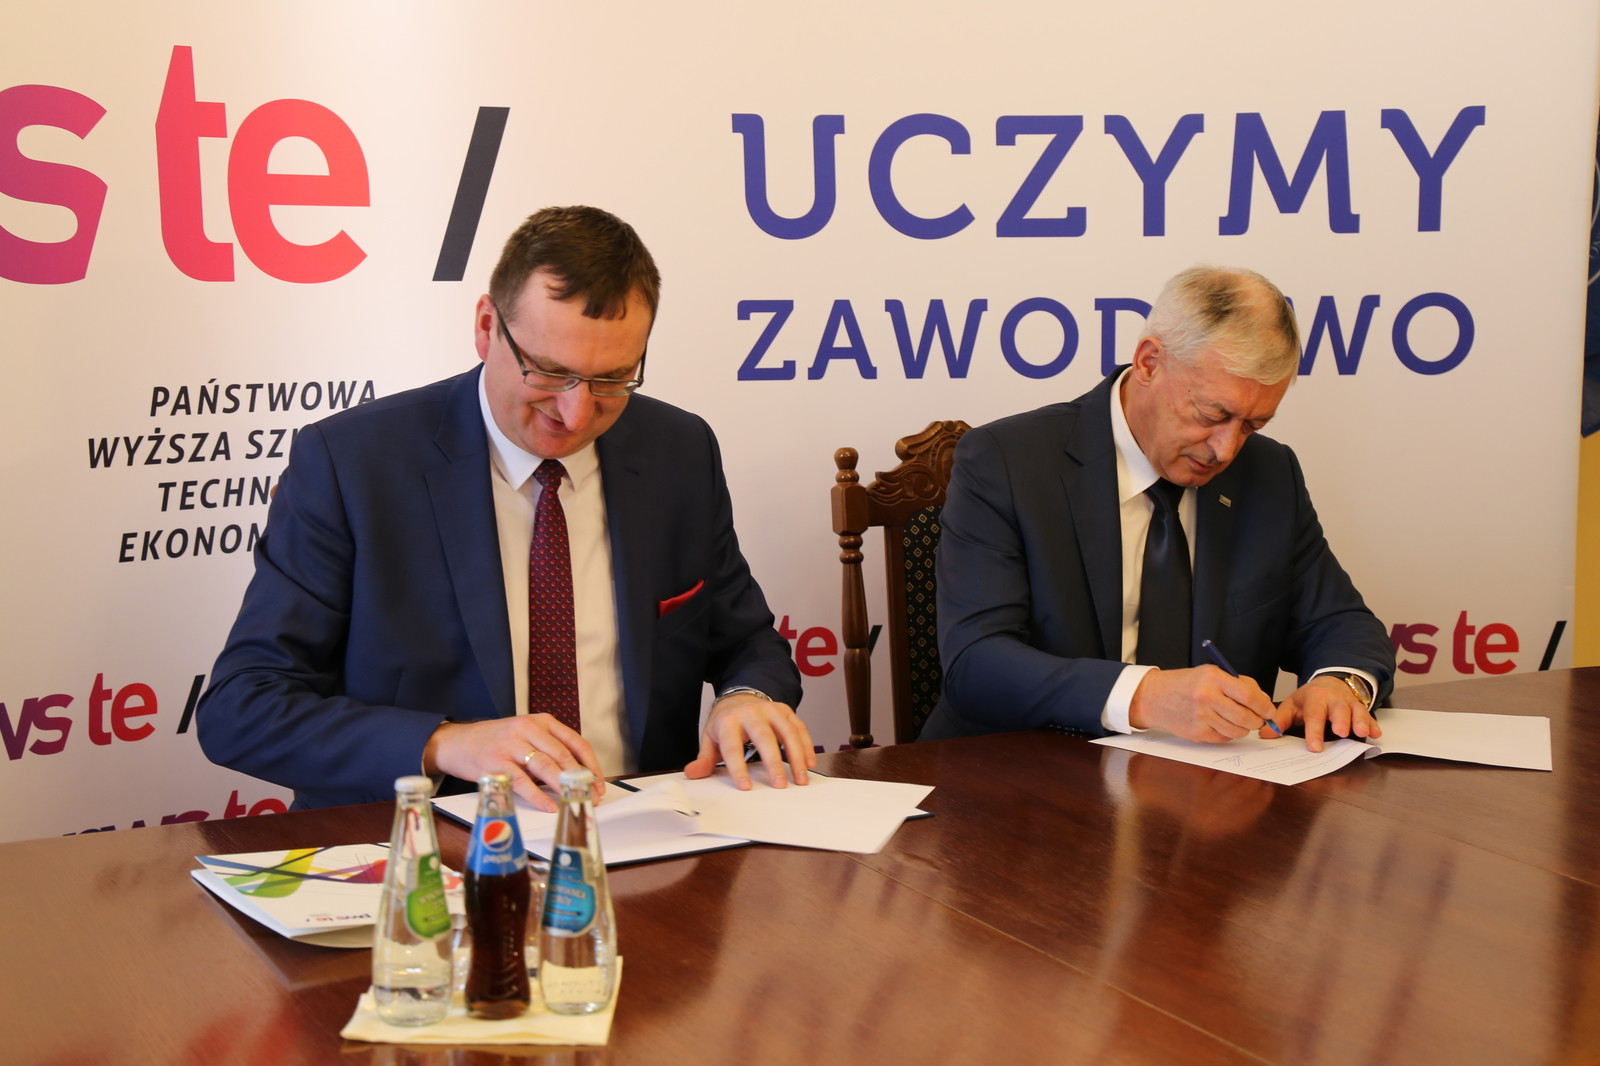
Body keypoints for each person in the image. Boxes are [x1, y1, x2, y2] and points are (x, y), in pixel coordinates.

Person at [198, 205, 812, 811]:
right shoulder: (353, 463)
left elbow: (746, 639)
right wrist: (444, 744)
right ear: (487, 326)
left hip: (642, 828)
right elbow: (241, 707)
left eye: (612, 379)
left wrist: (748, 696)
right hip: (428, 841)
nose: (576, 413)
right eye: (548, 372)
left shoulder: (679, 450)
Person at [921, 265, 1395, 750]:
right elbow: (976, 663)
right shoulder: (1006, 462)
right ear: (1149, 363)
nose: (1226, 449)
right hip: (1022, 767)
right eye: (1212, 414)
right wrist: (1144, 696)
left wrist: (1341, 684)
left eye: (1253, 425)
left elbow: (1341, 622)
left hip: (1214, 780)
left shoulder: (1270, 474)